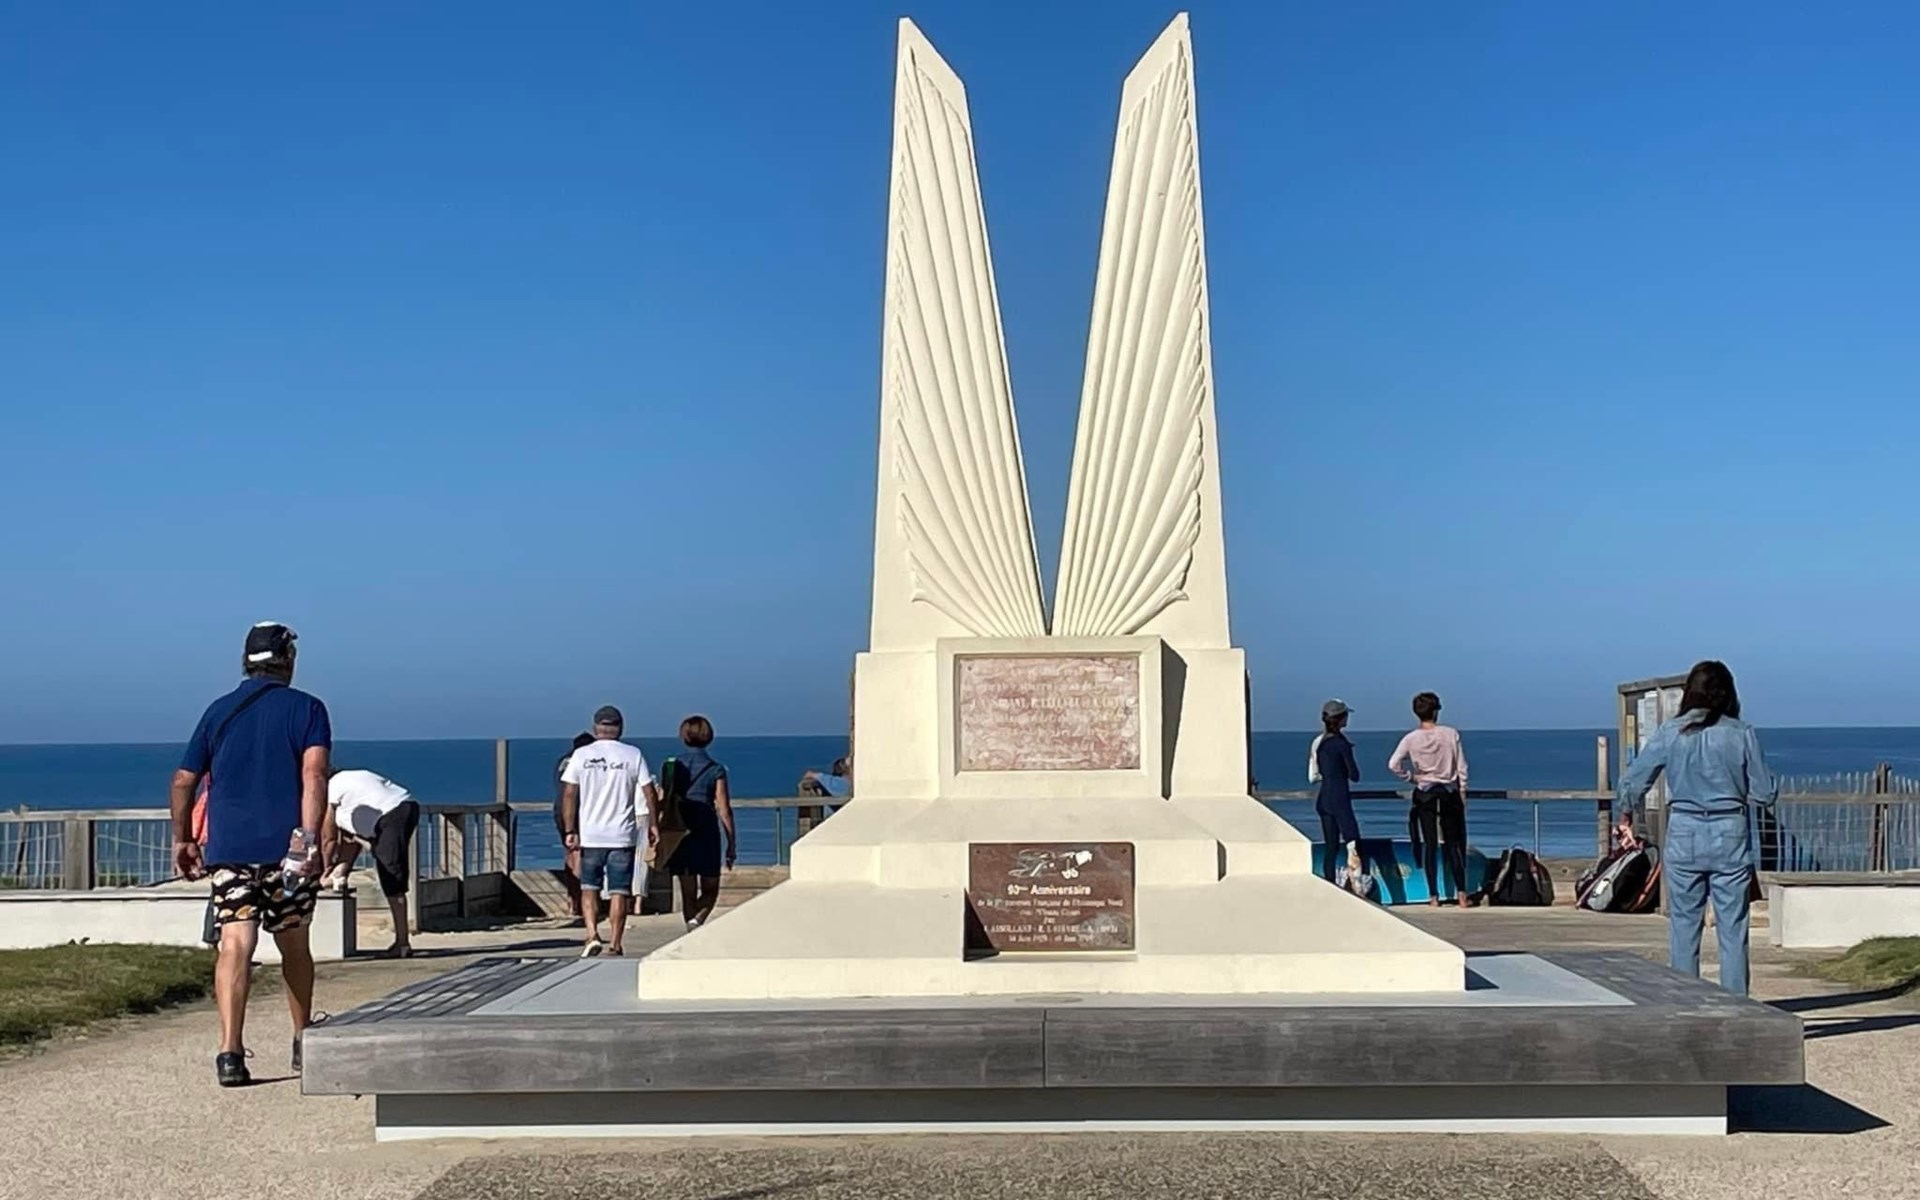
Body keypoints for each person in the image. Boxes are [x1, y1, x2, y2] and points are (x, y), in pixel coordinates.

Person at [169, 621, 331, 1087]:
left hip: (230, 850)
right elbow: (314, 775)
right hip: (287, 851)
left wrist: (183, 839)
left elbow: (183, 780)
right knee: (293, 943)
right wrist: (309, 839)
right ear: (289, 660)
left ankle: (230, 1053)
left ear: (245, 661)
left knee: (235, 943)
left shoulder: (218, 711)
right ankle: (302, 1040)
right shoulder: (308, 709)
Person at [1616, 660, 1776, 996]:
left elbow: (1635, 778)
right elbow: (1764, 793)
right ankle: (1735, 1005)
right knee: (1733, 929)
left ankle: (1685, 1002)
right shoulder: (1742, 733)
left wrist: (1626, 814)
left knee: (1684, 926)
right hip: (1729, 829)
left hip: (1684, 829)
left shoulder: (1670, 731)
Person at [559, 706, 658, 958]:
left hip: (591, 834)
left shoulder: (582, 755)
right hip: (622, 835)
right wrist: (653, 824)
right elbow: (649, 792)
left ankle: (592, 934)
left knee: (589, 888)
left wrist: (570, 829)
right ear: (620, 728)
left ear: (595, 728)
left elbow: (569, 793)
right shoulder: (633, 754)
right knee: (619, 892)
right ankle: (615, 943)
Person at [322, 767, 419, 958]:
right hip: (406, 805)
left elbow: (329, 838)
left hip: (391, 814)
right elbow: (350, 841)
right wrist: (341, 871)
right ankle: (339, 875)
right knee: (383, 859)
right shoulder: (349, 787)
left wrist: (325, 868)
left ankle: (402, 943)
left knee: (391, 876)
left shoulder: (331, 789)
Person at [1389, 691, 1471, 908]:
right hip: (1448, 792)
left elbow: (1393, 764)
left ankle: (1433, 896)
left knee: (1430, 845)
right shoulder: (1451, 734)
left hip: (1425, 793)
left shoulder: (1410, 739)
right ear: (1435, 712)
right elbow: (1462, 767)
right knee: (1454, 844)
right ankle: (1462, 893)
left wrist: (1411, 777)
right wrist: (1462, 791)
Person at [661, 715, 737, 931]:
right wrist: (731, 843)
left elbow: (665, 799)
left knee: (688, 891)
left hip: (679, 828)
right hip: (706, 829)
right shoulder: (715, 769)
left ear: (684, 736)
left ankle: (691, 927)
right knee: (711, 887)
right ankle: (697, 922)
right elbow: (724, 809)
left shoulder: (671, 766)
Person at [1313, 700, 1364, 888]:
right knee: (1353, 843)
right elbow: (1354, 774)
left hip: (1323, 797)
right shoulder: (1341, 744)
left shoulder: (1321, 744)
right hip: (1339, 797)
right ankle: (1357, 887)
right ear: (1341, 718)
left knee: (1331, 847)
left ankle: (1330, 886)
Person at [553, 731, 595, 917]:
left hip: (560, 811)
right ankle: (582, 901)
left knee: (570, 854)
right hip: (579, 811)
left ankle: (572, 900)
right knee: (580, 856)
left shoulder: (562, 762)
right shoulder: (587, 761)